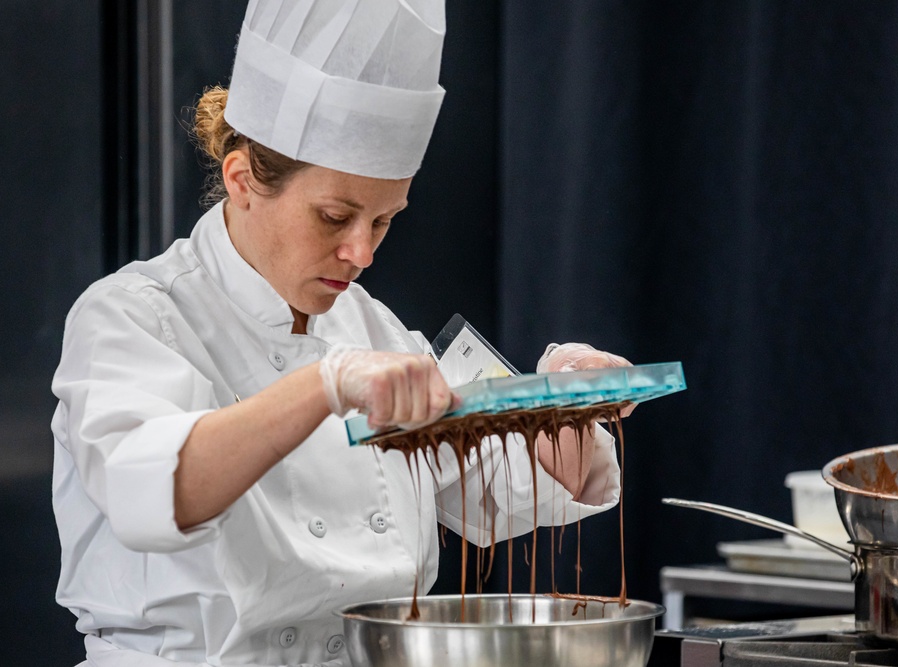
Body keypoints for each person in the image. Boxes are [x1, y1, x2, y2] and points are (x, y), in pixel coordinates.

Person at [51, 2, 631, 665]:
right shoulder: (133, 316)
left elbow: (512, 487)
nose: (362, 253)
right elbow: (154, 490)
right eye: (335, 216)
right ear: (241, 181)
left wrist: (559, 402)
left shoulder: (375, 326)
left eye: (384, 220)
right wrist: (323, 386)